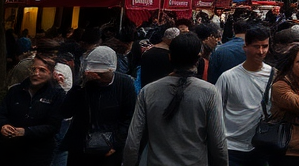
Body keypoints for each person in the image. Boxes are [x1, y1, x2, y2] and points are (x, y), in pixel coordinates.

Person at [123, 33, 228, 166]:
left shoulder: (149, 91)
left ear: (170, 57)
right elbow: (218, 144)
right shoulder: (209, 92)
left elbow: (132, 142)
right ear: (198, 59)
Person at [63, 46, 138, 166]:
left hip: (109, 147)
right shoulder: (85, 84)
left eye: (101, 74)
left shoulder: (125, 83)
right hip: (81, 146)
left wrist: (115, 144)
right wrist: (81, 84)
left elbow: (129, 116)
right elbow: (66, 111)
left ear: (111, 70)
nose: (98, 77)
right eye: (95, 73)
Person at [215, 27, 274, 166]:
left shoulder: (274, 75)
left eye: (265, 46)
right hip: (231, 147)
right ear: (245, 47)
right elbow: (215, 111)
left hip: (261, 145)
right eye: (256, 47)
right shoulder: (228, 77)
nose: (261, 51)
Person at [0, 55, 68, 166]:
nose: (36, 73)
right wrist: (3, 125)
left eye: (42, 70)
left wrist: (25, 132)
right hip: (10, 150)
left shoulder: (57, 94)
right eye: (33, 69)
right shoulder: (16, 90)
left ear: (51, 73)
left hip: (39, 153)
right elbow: (0, 113)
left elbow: (53, 126)